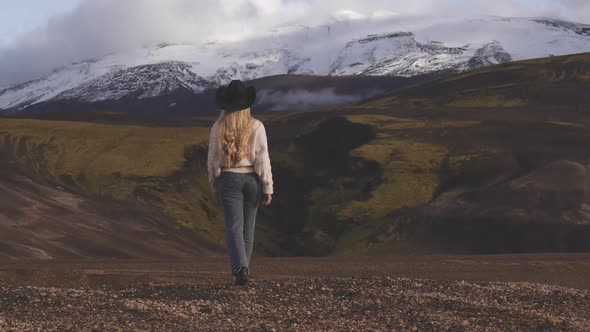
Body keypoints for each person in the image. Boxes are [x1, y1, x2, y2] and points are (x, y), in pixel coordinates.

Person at [207, 79, 273, 286]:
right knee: (248, 229)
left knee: (234, 227)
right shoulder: (257, 126)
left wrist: (214, 183)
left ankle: (240, 271)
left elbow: (212, 159)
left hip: (229, 179)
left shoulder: (218, 127)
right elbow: (263, 158)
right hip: (252, 179)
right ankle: (242, 270)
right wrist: (267, 186)